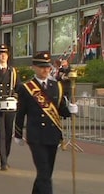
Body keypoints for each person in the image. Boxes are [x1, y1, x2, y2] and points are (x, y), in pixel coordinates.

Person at [14, 52, 78, 194]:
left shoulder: (57, 86)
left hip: (52, 135)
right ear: (34, 67)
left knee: (46, 173)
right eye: (41, 67)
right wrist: (17, 134)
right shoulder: (26, 88)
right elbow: (20, 113)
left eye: (47, 67)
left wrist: (71, 110)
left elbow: (60, 110)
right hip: (36, 136)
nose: (45, 70)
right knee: (44, 174)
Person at [0, 44, 21, 170]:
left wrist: (16, 98)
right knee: (1, 133)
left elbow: (18, 88)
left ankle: (6, 155)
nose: (2, 56)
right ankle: (3, 161)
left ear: (8, 56)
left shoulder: (13, 71)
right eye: (0, 54)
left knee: (8, 132)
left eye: (4, 54)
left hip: (10, 106)